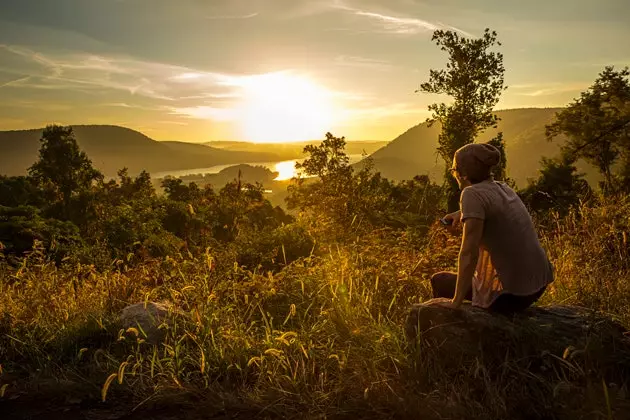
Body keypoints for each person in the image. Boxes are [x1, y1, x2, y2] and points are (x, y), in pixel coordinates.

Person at [431, 142, 553, 314]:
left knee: (440, 280)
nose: (453, 174)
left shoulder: (470, 194)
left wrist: (455, 302)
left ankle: (447, 332)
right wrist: (461, 213)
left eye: (453, 170)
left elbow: (469, 253)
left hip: (512, 296)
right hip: (538, 285)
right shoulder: (503, 187)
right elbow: (494, 206)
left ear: (463, 174)